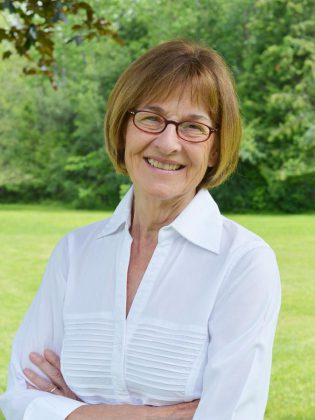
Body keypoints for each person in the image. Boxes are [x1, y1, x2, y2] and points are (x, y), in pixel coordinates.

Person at [0, 40, 281, 420]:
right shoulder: (75, 252)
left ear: (215, 149)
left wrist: (68, 409)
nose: (167, 143)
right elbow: (18, 397)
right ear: (123, 129)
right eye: (150, 118)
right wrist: (153, 416)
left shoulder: (243, 262)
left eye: (193, 127)